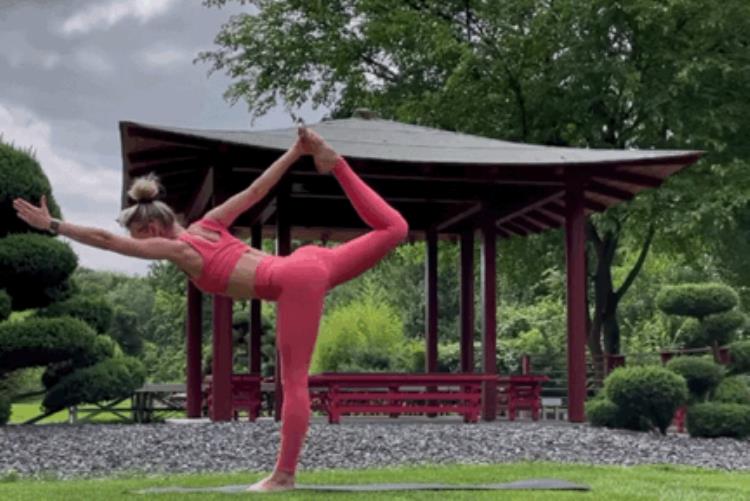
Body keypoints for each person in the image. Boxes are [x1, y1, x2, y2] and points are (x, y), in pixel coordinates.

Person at [12, 127, 409, 492]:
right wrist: (295, 151)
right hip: (311, 262)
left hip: (296, 281)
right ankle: (334, 163)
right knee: (395, 229)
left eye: (138, 238)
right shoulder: (208, 225)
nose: (140, 246)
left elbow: (107, 241)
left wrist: (54, 226)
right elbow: (256, 190)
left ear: (150, 231)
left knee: (295, 381)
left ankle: (284, 475)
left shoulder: (181, 248)